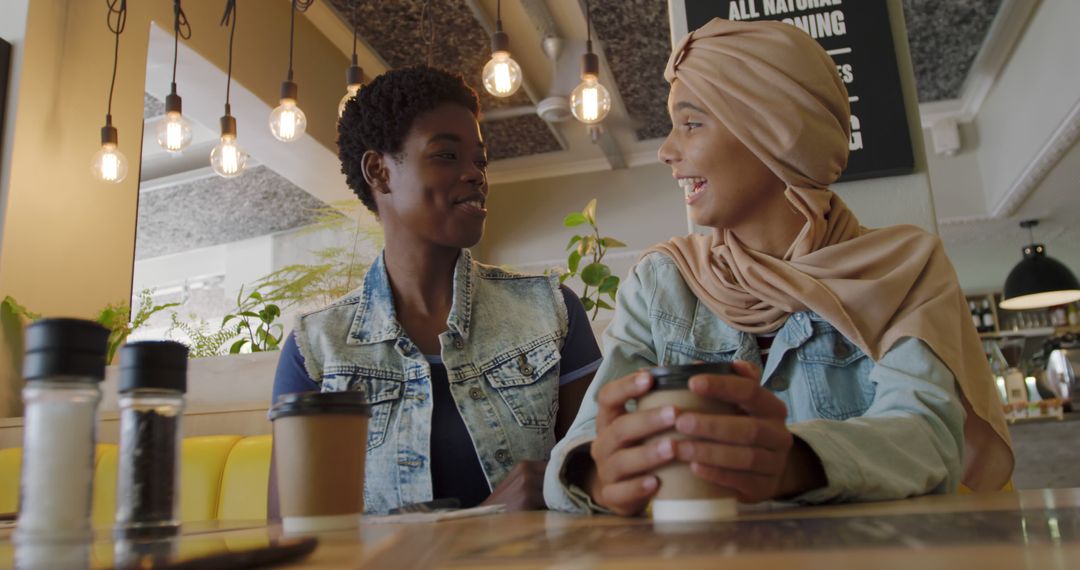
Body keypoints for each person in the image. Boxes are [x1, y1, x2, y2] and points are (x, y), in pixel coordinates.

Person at [543, 18, 1013, 516]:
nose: (666, 151)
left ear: (775, 130)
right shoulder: (662, 282)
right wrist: (597, 473)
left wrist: (794, 464)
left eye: (692, 122)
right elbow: (573, 456)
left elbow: (931, 439)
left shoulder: (905, 270)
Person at [270, 66, 601, 516]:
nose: (475, 175)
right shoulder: (317, 351)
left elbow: (599, 481)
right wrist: (479, 525)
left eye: (480, 161)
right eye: (447, 155)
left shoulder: (552, 311)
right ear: (379, 172)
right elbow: (297, 539)